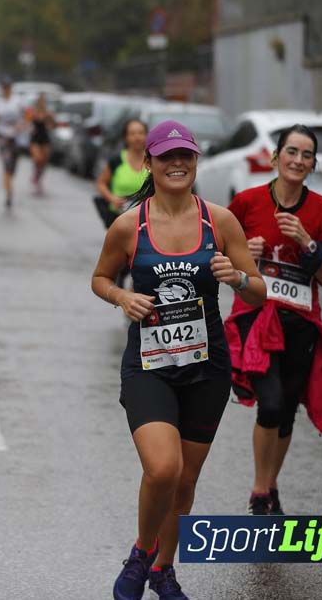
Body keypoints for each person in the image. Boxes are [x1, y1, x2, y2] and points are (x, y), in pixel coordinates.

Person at [91, 120, 265, 600]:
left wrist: (236, 277)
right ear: (149, 162)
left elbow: (259, 288)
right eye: (166, 156)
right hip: (149, 365)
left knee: (186, 480)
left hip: (206, 366)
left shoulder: (220, 220)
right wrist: (122, 300)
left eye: (185, 156)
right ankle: (141, 553)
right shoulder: (130, 225)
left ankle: (164, 571)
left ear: (195, 162)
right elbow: (100, 279)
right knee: (163, 469)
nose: (177, 164)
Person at [223, 125, 322, 516]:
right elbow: (218, 258)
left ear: (313, 165)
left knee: (288, 405)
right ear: (275, 158)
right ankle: (260, 492)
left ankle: (270, 484)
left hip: (301, 323)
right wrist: (245, 251)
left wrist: (308, 243)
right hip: (256, 317)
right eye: (291, 152)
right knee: (271, 401)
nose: (298, 160)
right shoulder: (246, 203)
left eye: (306, 155)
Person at [95, 119, 151, 286]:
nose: (137, 137)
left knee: (141, 252)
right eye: (132, 133)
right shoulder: (116, 161)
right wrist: (112, 198)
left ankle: (136, 283)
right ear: (126, 138)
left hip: (145, 217)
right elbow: (101, 183)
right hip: (118, 216)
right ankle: (120, 276)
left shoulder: (153, 161)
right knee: (125, 252)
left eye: (141, 133)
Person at [0, 78, 26, 208]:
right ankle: (9, 194)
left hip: (16, 138)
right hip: (3, 138)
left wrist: (21, 126)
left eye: (7, 87)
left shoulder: (18, 101)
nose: (5, 90)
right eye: (4, 87)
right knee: (7, 167)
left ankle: (9, 184)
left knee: (13, 168)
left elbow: (27, 116)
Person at [28, 94, 55, 195]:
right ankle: (35, 177)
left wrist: (50, 118)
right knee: (37, 159)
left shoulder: (48, 113)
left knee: (44, 161)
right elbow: (27, 122)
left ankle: (38, 179)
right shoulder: (32, 112)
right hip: (35, 138)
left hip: (44, 138)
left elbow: (52, 125)